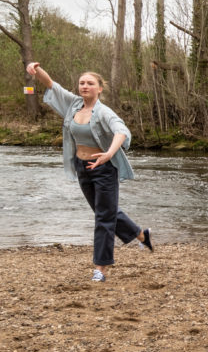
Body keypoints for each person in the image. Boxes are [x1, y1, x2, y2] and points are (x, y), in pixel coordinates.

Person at [26, 63, 153, 282]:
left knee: (103, 217)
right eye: (82, 83)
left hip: (104, 169)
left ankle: (100, 268)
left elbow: (121, 132)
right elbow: (51, 85)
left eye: (90, 83)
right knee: (104, 211)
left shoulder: (103, 112)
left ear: (99, 88)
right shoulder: (73, 105)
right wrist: (36, 70)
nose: (85, 86)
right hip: (82, 166)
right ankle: (142, 235)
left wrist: (108, 154)